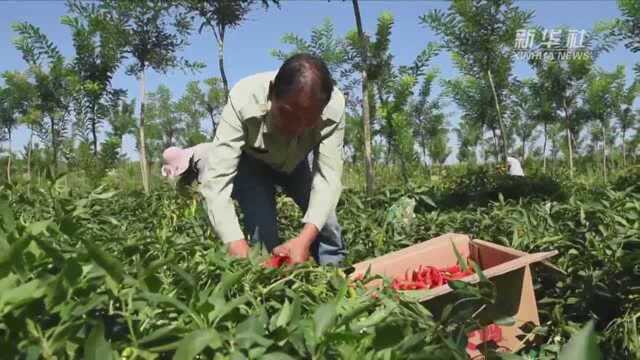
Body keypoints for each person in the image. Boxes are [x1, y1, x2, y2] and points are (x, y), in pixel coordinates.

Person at [161, 53, 347, 266]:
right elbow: (217, 182)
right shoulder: (243, 98)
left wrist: (304, 239)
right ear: (272, 93)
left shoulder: (334, 107)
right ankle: (267, 285)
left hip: (298, 162)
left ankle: (335, 272)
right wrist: (235, 243)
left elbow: (328, 178)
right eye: (287, 114)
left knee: (326, 224)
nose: (296, 127)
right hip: (253, 164)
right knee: (263, 241)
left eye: (309, 120)